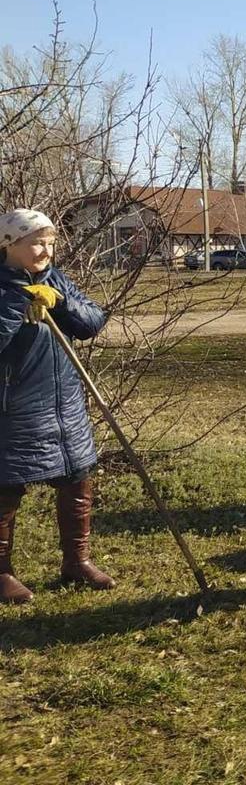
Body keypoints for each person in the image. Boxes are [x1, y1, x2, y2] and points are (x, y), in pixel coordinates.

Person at [0, 209, 113, 604]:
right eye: (35, 242)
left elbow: (93, 321)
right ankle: (1, 573)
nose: (44, 250)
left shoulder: (55, 279)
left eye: (50, 242)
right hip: (13, 408)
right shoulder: (3, 287)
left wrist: (60, 302)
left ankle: (76, 561)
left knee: (77, 479)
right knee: (5, 489)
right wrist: (17, 302)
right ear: (9, 246)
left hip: (64, 402)